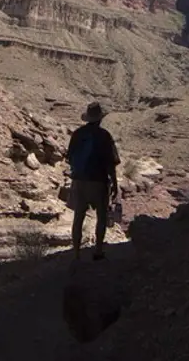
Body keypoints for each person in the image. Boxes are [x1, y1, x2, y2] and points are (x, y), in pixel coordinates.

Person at [67, 102, 120, 261]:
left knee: (78, 216)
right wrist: (115, 183)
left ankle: (76, 252)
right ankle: (98, 250)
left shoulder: (77, 134)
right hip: (98, 181)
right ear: (100, 119)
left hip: (79, 181)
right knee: (101, 216)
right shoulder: (105, 135)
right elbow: (111, 162)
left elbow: (69, 157)